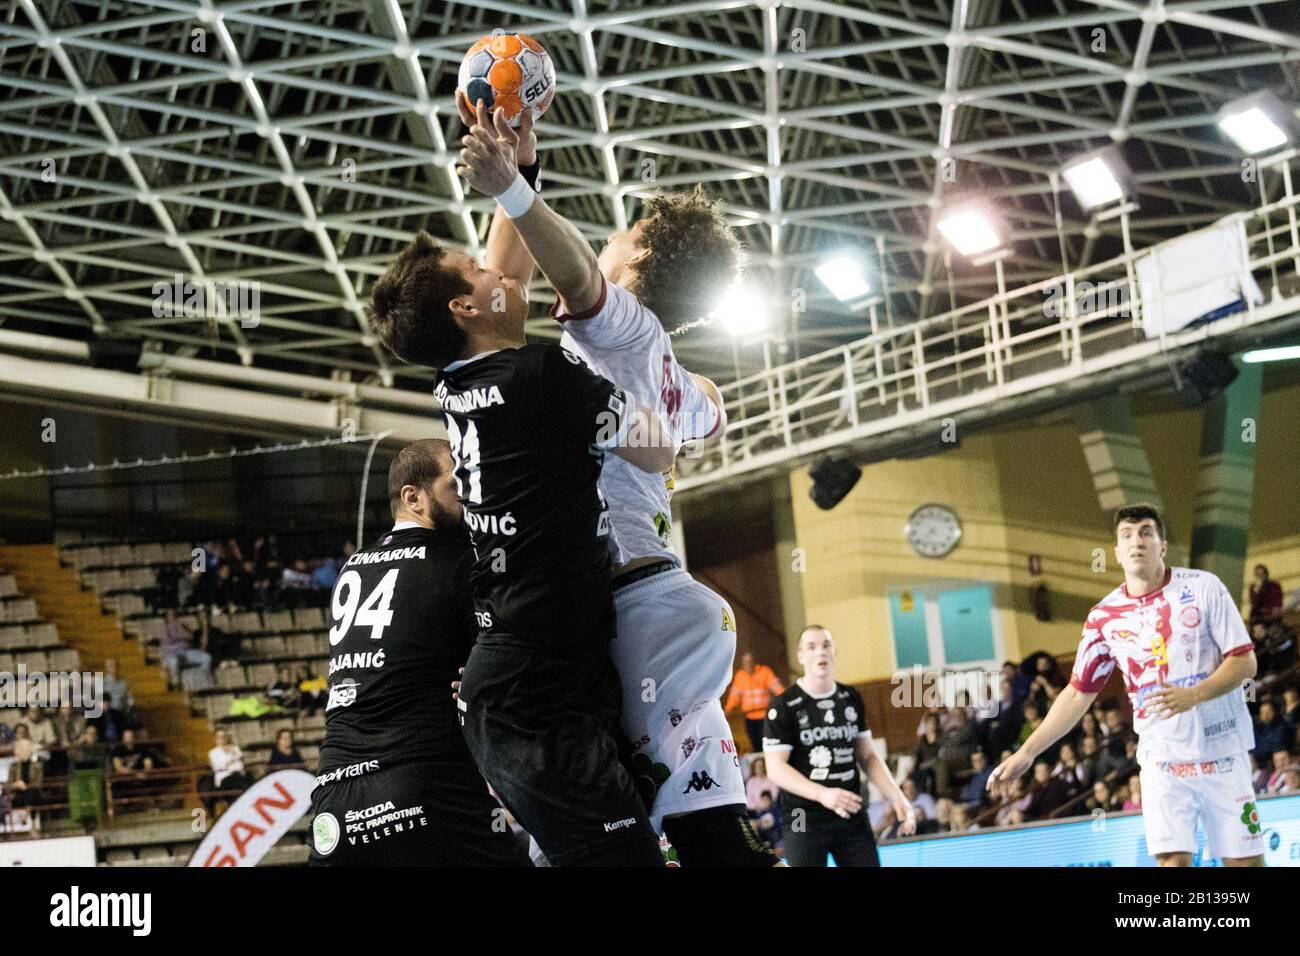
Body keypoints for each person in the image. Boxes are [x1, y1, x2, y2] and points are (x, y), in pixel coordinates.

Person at [457, 98, 771, 866]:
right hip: (666, 605)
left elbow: (569, 274)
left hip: (630, 608)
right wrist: (520, 167)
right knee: (703, 831)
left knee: (593, 834)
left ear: (636, 265)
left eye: (618, 235)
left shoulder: (622, 325)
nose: (602, 241)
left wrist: (514, 191)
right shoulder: (661, 368)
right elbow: (711, 411)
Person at [369, 116, 681, 864]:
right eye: (479, 276)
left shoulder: (462, 380)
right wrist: (674, 388)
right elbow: (660, 451)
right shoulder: (540, 377)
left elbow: (504, 274)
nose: (501, 275)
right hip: (538, 692)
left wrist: (521, 168)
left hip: (521, 683)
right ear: (465, 311)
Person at [989, 503, 1263, 867]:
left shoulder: (1203, 587)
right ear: (1117, 552)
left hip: (1223, 753)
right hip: (1163, 761)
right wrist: (1027, 752)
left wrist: (1194, 695)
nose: (1138, 542)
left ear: (1162, 545)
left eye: (1147, 532)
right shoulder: (1104, 617)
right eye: (1127, 535)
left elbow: (1245, 662)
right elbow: (1077, 693)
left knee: (1244, 865)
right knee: (1172, 862)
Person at [308, 440, 528, 867]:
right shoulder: (464, 562)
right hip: (424, 785)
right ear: (413, 496)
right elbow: (508, 670)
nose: (470, 495)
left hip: (334, 798)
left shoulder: (354, 566)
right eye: (456, 483)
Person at [763, 625, 914, 866]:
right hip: (803, 814)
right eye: (811, 647)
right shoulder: (784, 705)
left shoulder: (850, 697)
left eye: (825, 645)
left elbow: (868, 757)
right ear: (801, 656)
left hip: (849, 810)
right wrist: (822, 794)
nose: (820, 652)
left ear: (834, 651)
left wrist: (897, 796)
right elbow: (776, 768)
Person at [726, 653, 787, 752]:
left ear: (755, 662)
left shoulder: (765, 672)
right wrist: (727, 710)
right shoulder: (740, 676)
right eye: (746, 663)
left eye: (750, 662)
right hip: (749, 717)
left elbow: (777, 688)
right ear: (742, 664)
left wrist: (786, 700)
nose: (748, 665)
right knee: (755, 743)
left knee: (767, 742)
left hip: (764, 716)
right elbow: (734, 696)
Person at [158, 609, 211, 688]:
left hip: (186, 653)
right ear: (167, 618)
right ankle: (176, 683)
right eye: (171, 615)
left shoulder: (182, 626)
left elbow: (191, 636)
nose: (174, 617)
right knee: (174, 661)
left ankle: (201, 681)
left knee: (206, 657)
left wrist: (185, 629)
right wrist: (182, 635)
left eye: (175, 615)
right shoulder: (165, 629)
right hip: (172, 654)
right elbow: (170, 639)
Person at [5, 738, 43, 809]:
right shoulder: (13, 766)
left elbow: (38, 783)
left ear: (27, 751)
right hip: (18, 792)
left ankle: (26, 815)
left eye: (19, 749)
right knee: (18, 797)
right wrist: (15, 785)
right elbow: (8, 784)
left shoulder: (37, 765)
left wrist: (25, 787)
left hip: (33, 792)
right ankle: (26, 817)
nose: (16, 752)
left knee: (30, 794)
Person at [1247, 564, 1284, 628]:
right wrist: (1257, 591)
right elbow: (1254, 605)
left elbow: (1278, 602)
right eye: (1258, 575)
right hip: (1258, 617)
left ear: (1266, 574)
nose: (1260, 577)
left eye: (1262, 574)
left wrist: (1269, 611)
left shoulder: (1274, 586)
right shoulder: (1254, 587)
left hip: (1271, 616)